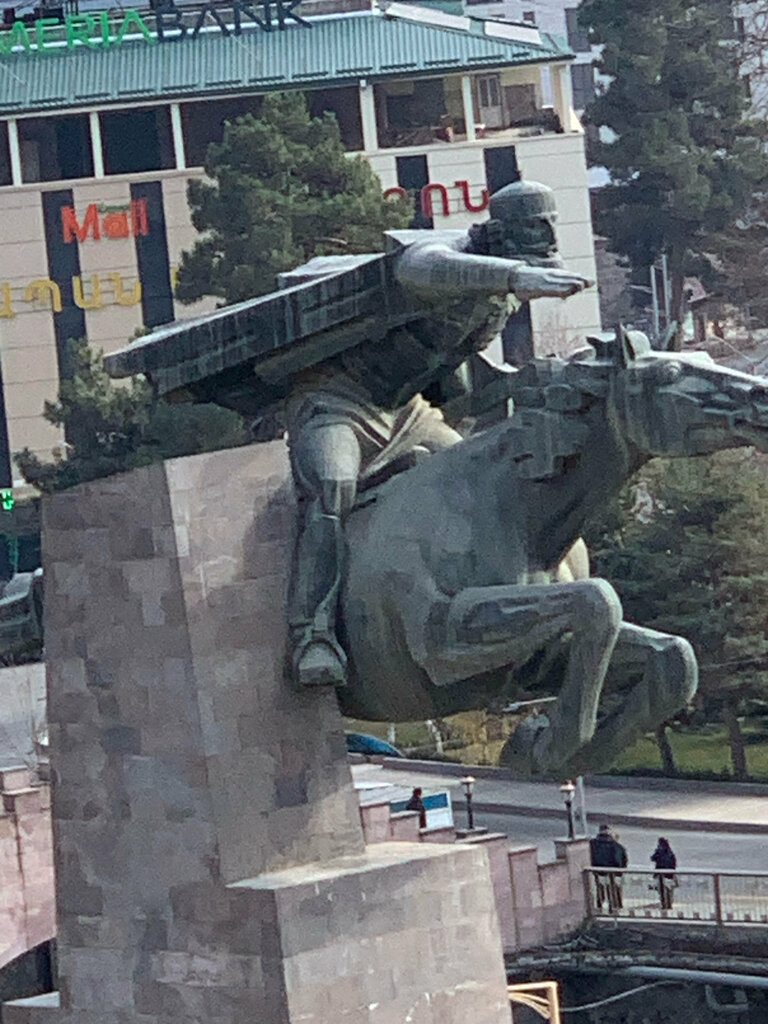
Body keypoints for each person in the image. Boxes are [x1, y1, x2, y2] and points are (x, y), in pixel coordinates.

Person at [286, 181, 590, 687]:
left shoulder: (498, 300)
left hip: (408, 413)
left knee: (475, 479)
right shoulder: (447, 255)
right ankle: (312, 635)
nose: (547, 236)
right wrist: (515, 276)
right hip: (336, 401)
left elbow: (463, 377)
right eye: (535, 229)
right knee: (332, 487)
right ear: (500, 233)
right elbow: (419, 267)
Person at [589, 823, 625, 913]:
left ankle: (599, 908)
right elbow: (620, 859)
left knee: (600, 889)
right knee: (612, 890)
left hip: (597, 870)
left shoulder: (592, 844)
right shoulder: (615, 845)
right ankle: (613, 908)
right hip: (612, 871)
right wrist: (620, 871)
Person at [651, 837, 677, 910]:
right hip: (670, 874)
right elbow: (674, 863)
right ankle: (669, 904)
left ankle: (664, 904)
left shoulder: (659, 851)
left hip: (660, 874)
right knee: (669, 890)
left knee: (662, 890)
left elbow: (653, 858)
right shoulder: (670, 852)